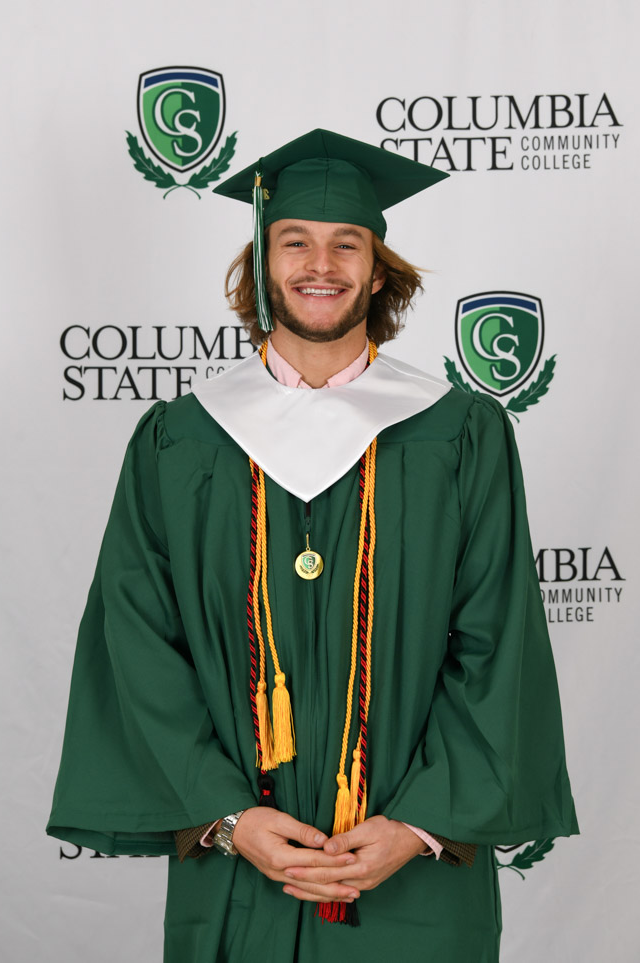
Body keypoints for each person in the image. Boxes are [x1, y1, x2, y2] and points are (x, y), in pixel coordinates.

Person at [48, 129, 578, 962]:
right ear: (261, 259)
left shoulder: (460, 433)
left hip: (413, 874)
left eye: (346, 244)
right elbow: (138, 639)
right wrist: (229, 817)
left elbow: (498, 640)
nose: (319, 264)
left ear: (378, 267)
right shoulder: (180, 440)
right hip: (243, 863)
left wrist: (419, 823)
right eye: (294, 240)